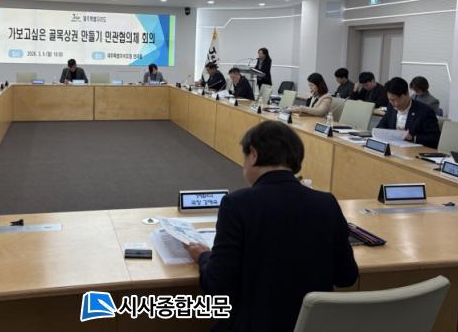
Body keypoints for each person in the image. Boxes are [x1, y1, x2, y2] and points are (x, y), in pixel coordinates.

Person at [184, 121, 358, 332]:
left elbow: (217, 286)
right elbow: (346, 277)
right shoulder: (326, 202)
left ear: (253, 154)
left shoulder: (236, 204)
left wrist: (204, 256)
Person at [377, 77, 441, 148]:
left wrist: (412, 138)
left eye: (397, 99)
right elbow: (380, 127)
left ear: (407, 94)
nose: (395, 104)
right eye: (391, 100)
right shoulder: (391, 107)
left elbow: (434, 138)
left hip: (415, 150)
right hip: (394, 148)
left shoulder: (425, 111)